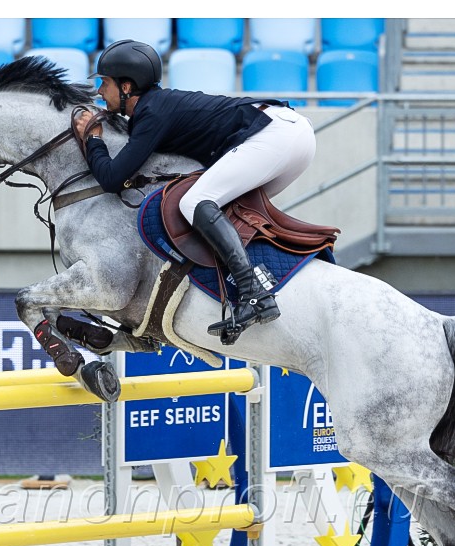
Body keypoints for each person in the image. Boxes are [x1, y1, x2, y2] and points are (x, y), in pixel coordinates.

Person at [73, 39, 316, 340]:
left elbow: (111, 179)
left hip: (276, 136)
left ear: (126, 87)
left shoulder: (151, 114)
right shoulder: (156, 108)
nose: (99, 91)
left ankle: (253, 295)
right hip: (291, 136)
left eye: (104, 83)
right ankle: (251, 290)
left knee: (195, 202)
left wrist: (93, 139)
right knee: (223, 213)